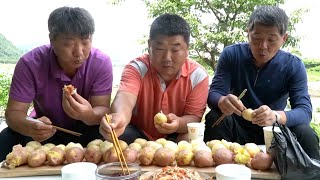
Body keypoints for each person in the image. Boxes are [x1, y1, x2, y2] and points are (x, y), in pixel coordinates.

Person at [204, 5, 320, 160]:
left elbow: (305, 111)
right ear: (247, 33)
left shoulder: (293, 65)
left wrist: (275, 116)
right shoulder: (232, 55)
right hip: (235, 128)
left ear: (284, 38)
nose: (263, 47)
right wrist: (222, 100)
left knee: (305, 132)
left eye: (271, 40)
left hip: (274, 133)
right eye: (256, 38)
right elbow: (214, 93)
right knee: (216, 116)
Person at [0, 6, 113, 161]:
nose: (79, 52)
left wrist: (89, 115)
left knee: (116, 134)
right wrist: (30, 125)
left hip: (87, 131)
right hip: (46, 132)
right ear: (52, 39)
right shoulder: (30, 64)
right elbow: (13, 113)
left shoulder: (101, 62)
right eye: (69, 44)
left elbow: (103, 108)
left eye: (85, 42)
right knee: (6, 137)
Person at [99, 13, 209, 144]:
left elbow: (194, 118)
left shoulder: (197, 75)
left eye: (175, 50)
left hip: (176, 135)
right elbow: (125, 99)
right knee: (117, 138)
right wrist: (119, 117)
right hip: (138, 133)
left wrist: (178, 123)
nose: (167, 58)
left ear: (187, 50)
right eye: (159, 48)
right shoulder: (137, 69)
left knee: (189, 139)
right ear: (149, 45)